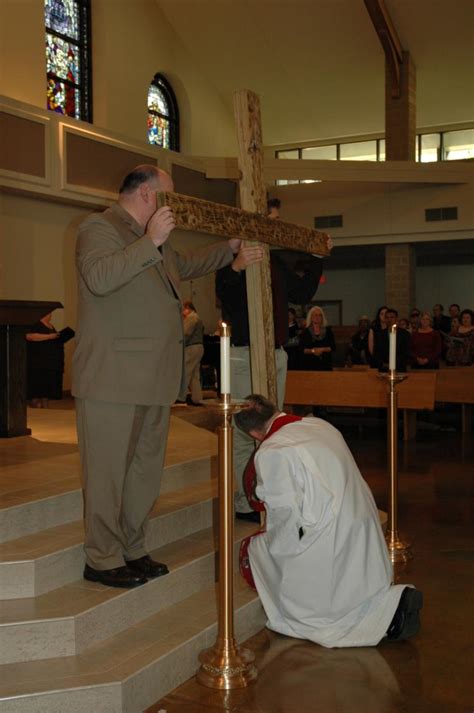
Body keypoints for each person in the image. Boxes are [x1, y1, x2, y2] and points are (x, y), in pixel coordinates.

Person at [72, 164, 240, 588]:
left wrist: (230, 248)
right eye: (170, 198)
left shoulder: (157, 244)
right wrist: (151, 241)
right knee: (108, 473)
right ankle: (102, 557)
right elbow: (99, 278)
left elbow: (186, 265)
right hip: (113, 378)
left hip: (153, 377)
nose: (175, 208)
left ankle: (131, 546)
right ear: (147, 195)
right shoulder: (99, 227)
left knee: (143, 473)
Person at [234, 395, 423, 647]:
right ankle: (390, 604)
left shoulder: (271, 451)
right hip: (362, 522)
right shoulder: (319, 425)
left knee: (257, 551)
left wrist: (274, 548)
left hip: (329, 537)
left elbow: (285, 516)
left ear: (254, 435)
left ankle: (384, 617)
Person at [215, 198, 329, 522]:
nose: (275, 227)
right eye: (271, 220)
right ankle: (241, 500)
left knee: (270, 427)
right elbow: (225, 293)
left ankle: (263, 493)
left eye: (277, 220)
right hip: (243, 353)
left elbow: (302, 295)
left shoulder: (275, 262)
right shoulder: (232, 260)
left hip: (276, 352)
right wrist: (236, 266)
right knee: (242, 430)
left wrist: (316, 258)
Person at [26, 312, 73, 407]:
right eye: (49, 313)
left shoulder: (51, 326)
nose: (51, 315)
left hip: (51, 361)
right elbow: (29, 336)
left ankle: (45, 406)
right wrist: (49, 336)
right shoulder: (35, 324)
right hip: (39, 361)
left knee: (47, 386)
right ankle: (36, 406)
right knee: (38, 385)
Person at [298, 305, 336, 371]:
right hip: (309, 365)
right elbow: (301, 349)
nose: (317, 317)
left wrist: (322, 349)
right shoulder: (306, 332)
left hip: (325, 365)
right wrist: (313, 351)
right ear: (311, 317)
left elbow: (333, 347)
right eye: (315, 315)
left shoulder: (328, 330)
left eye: (320, 315)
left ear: (322, 317)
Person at [182, 300, 205, 406]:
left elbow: (185, 333)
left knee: (185, 372)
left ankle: (181, 397)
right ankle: (197, 398)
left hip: (191, 347)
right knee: (195, 375)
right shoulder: (198, 317)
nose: (182, 312)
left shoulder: (191, 318)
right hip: (199, 346)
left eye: (183, 309)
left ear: (188, 308)